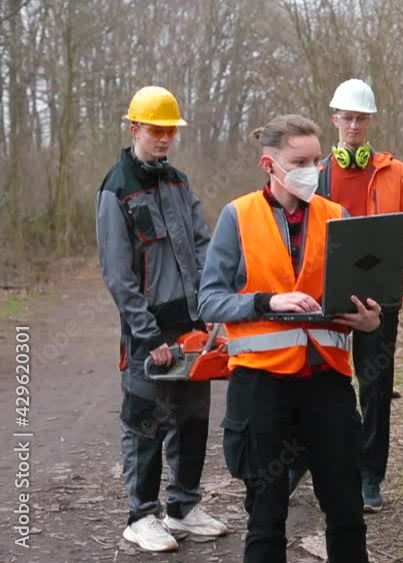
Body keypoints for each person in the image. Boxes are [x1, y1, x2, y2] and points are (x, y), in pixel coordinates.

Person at [198, 114, 380, 563]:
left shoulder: (337, 216)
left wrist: (369, 320)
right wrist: (266, 302)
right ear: (269, 163)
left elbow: (358, 297)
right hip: (261, 387)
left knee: (346, 509)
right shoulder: (237, 216)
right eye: (300, 161)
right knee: (266, 515)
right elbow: (208, 302)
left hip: (327, 383)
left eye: (317, 160)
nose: (313, 170)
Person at [96, 86, 228, 552]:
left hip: (191, 324)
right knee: (145, 420)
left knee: (193, 418)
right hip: (147, 331)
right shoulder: (116, 189)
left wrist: (213, 309)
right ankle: (141, 515)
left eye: (170, 130)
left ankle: (183, 507)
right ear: (135, 128)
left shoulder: (178, 182)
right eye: (156, 130)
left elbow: (202, 244)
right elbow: (117, 272)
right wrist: (146, 332)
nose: (164, 138)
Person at [289, 78, 403, 513]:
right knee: (314, 384)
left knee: (375, 388)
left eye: (360, 118)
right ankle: (298, 465)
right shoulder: (317, 174)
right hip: (325, 295)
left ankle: (370, 477)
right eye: (346, 117)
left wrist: (382, 240)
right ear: (335, 120)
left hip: (380, 296)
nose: (353, 125)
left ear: (369, 123)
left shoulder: (395, 172)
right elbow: (298, 228)